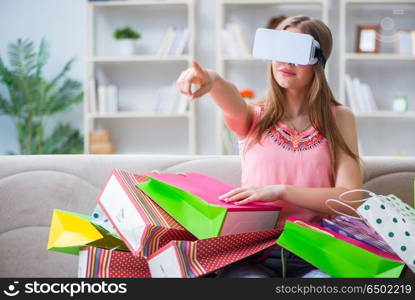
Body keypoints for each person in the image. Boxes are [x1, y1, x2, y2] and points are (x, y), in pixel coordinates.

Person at [176, 15, 363, 277]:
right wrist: (213, 80)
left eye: (297, 51)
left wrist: (281, 191)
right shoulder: (253, 115)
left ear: (318, 61)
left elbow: (350, 198)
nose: (286, 61)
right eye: (279, 50)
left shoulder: (339, 117)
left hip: (315, 251)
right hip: (252, 251)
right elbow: (231, 100)